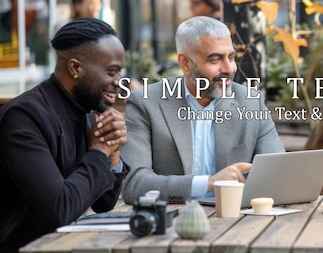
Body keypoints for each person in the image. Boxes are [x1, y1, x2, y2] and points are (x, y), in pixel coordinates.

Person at [0, 18, 128, 253]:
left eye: (121, 72)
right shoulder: (24, 117)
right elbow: (60, 208)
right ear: (75, 68)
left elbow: (103, 204)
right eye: (112, 72)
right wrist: (99, 151)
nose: (119, 81)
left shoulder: (87, 111)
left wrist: (112, 156)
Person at [120, 16, 284, 204]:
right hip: (173, 223)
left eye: (231, 57)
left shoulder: (251, 102)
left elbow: (278, 173)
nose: (229, 68)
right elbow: (134, 185)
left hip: (237, 221)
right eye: (215, 59)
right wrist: (210, 183)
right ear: (185, 63)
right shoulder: (145, 103)